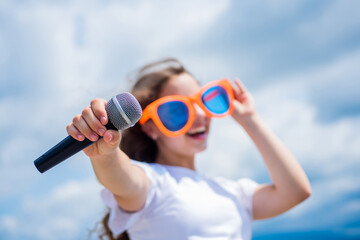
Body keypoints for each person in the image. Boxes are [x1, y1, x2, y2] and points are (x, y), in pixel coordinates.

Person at [67, 58, 311, 240]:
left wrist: (250, 119)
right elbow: (122, 178)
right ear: (151, 128)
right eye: (177, 110)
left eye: (203, 101)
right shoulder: (155, 184)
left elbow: (295, 192)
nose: (200, 116)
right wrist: (106, 153)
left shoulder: (233, 192)